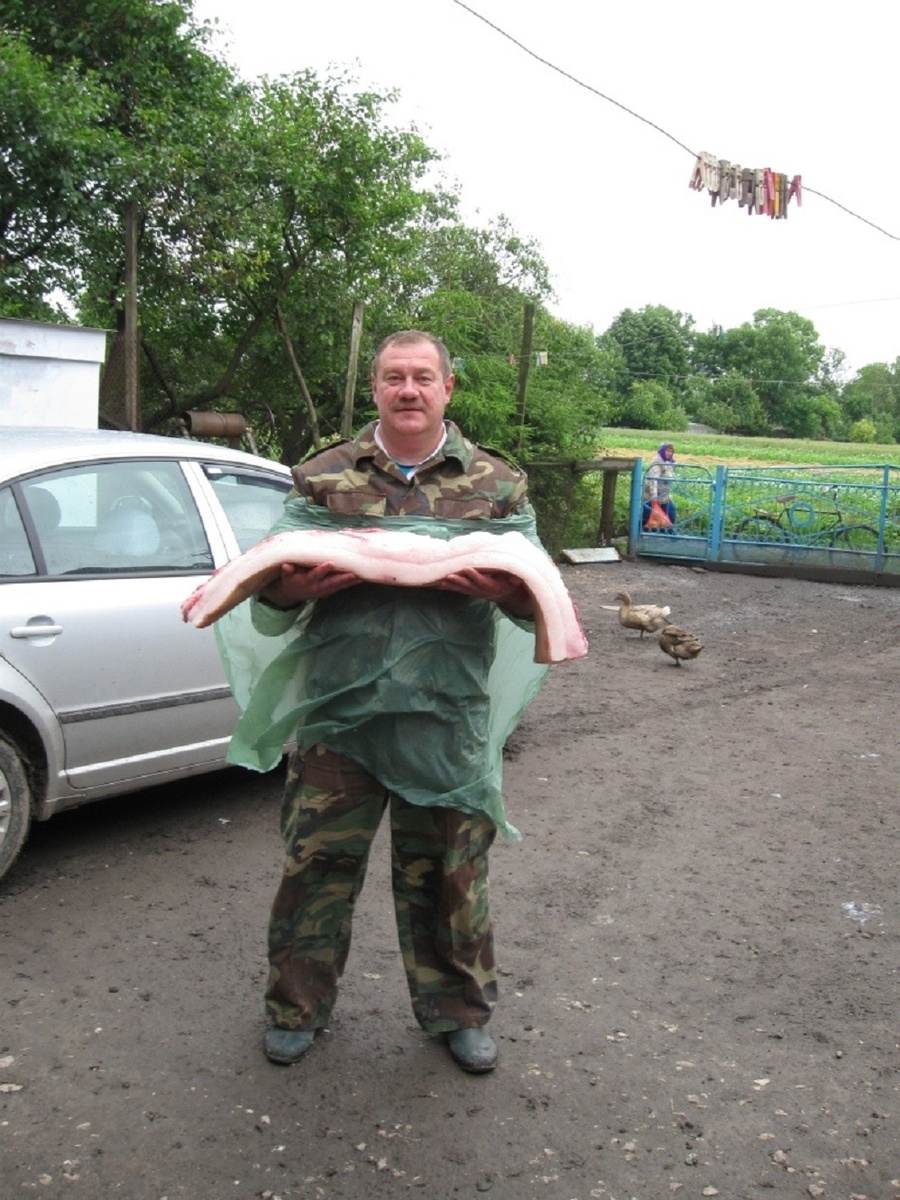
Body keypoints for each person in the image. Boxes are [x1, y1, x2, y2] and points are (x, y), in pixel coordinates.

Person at [236, 330, 549, 1075]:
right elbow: (267, 597)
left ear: (448, 388)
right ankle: (295, 1008)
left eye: (422, 377)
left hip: (445, 719)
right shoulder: (322, 477)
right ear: (374, 388)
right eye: (392, 377)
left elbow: (538, 606)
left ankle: (459, 1014)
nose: (408, 390)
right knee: (315, 869)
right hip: (339, 716)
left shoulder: (497, 485)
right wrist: (290, 587)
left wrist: (505, 590)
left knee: (450, 872)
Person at [641, 442, 676, 530]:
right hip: (652, 496)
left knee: (671, 514)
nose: (669, 453)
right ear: (662, 451)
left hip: (664, 496)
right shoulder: (657, 463)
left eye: (671, 451)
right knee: (647, 517)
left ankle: (666, 533)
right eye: (667, 451)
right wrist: (654, 497)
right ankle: (640, 535)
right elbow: (653, 480)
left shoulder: (667, 462)